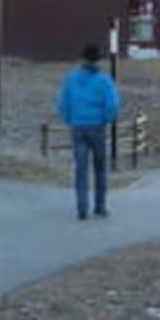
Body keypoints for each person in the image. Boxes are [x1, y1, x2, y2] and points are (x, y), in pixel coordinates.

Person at [55, 42, 119, 220]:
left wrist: (70, 119)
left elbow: (62, 104)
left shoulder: (71, 79)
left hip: (78, 126)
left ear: (82, 58)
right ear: (98, 59)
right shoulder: (104, 80)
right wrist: (107, 119)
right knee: (100, 168)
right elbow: (112, 104)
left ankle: (82, 207)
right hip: (97, 126)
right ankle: (100, 206)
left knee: (81, 169)